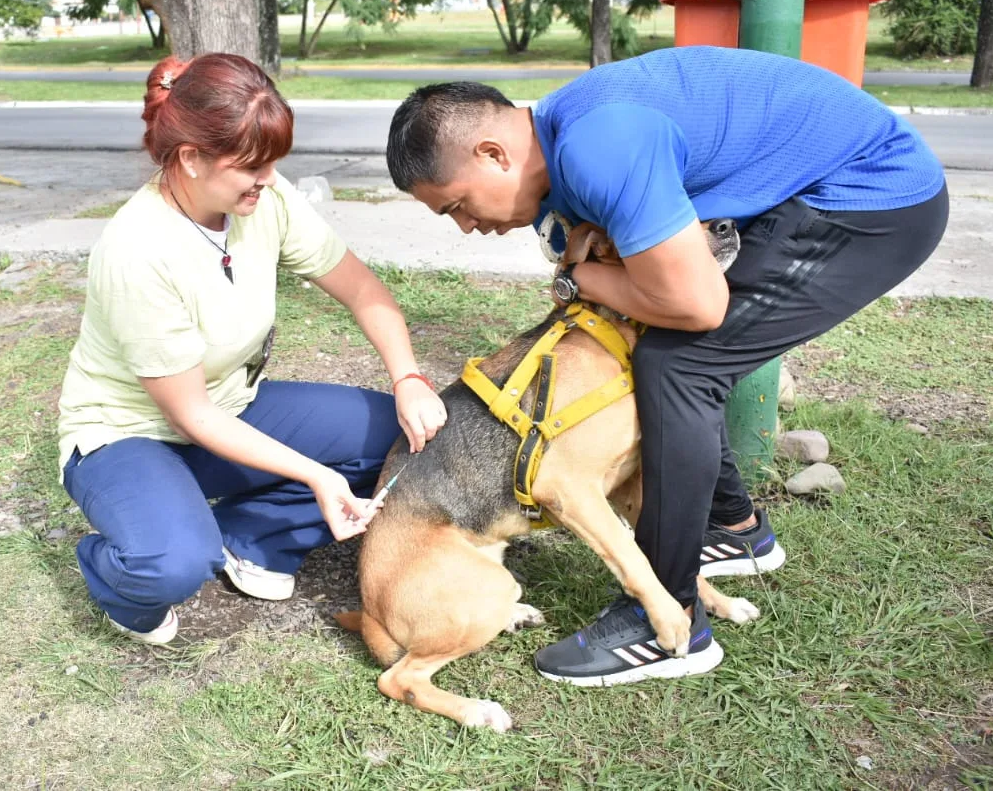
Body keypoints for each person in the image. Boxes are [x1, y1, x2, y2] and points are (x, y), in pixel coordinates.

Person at [384, 45, 947, 686]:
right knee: (670, 356)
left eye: (456, 204)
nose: (463, 226)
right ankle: (734, 530)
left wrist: (579, 276)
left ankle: (666, 619)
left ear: (492, 153)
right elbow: (610, 272)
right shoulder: (556, 156)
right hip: (812, 191)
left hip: (872, 198)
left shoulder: (598, 146)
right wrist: (584, 276)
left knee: (681, 367)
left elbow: (693, 304)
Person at [59, 52, 447, 645]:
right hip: (129, 434)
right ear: (189, 159)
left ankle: (249, 537)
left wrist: (409, 379)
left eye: (273, 162)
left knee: (395, 430)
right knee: (172, 564)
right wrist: (317, 476)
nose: (267, 179)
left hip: (229, 410)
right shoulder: (137, 251)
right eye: (249, 166)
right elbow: (190, 415)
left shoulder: (265, 197)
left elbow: (363, 289)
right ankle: (120, 577)